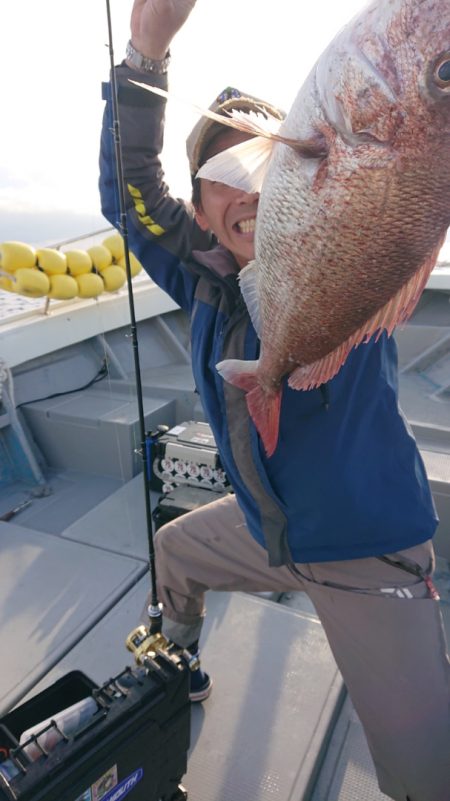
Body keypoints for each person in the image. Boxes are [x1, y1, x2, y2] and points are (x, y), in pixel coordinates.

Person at [99, 2, 450, 799]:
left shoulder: (345, 233)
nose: (245, 188)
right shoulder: (201, 279)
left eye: (261, 162)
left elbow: (409, 188)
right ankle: (176, 658)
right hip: (268, 523)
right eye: (220, 180)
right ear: (196, 213)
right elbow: (128, 194)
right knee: (177, 550)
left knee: (427, 774)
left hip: (365, 550)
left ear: (296, 165)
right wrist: (145, 58)